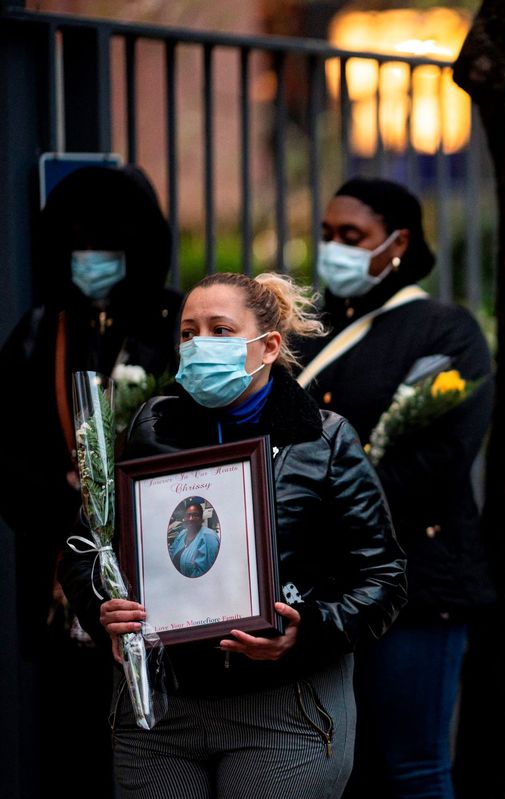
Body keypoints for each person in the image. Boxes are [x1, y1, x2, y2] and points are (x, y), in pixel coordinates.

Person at [59, 272, 408, 799]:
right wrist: (101, 607)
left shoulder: (324, 440)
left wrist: (306, 632)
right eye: (188, 333)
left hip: (283, 712)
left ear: (267, 347)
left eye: (221, 331)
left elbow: (383, 578)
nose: (200, 345)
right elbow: (86, 549)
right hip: (159, 712)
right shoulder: (148, 431)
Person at [299, 177, 494, 799]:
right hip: (323, 590)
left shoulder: (444, 330)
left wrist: (326, 503)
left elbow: (442, 457)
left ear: (398, 242)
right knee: (335, 770)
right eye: (328, 235)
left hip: (418, 582)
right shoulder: (309, 332)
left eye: (352, 236)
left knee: (410, 768)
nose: (335, 249)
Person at [0, 164, 180, 798]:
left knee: (156, 752)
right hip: (61, 581)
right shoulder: (40, 330)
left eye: (104, 248)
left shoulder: (176, 325)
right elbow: (6, 450)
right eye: (77, 247)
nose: (89, 261)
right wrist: (67, 492)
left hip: (160, 579)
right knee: (71, 752)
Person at [168, 499, 221, 578]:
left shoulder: (209, 537)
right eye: (188, 515)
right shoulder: (183, 533)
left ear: (201, 519)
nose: (190, 518)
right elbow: (171, 552)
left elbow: (205, 574)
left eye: (195, 515)